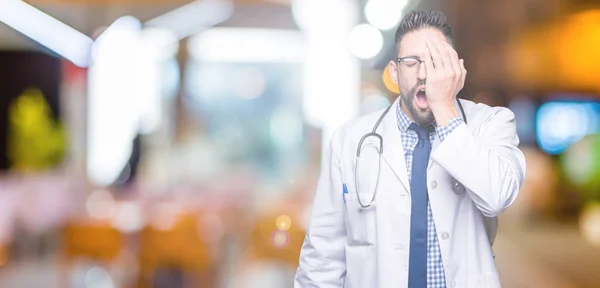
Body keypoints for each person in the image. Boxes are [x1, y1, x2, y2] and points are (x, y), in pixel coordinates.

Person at [294, 10, 526, 288]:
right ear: (394, 71)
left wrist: (445, 110)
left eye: (436, 62)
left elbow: (498, 196)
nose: (425, 73)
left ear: (455, 69)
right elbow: (323, 257)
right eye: (412, 62)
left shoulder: (491, 123)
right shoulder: (350, 140)